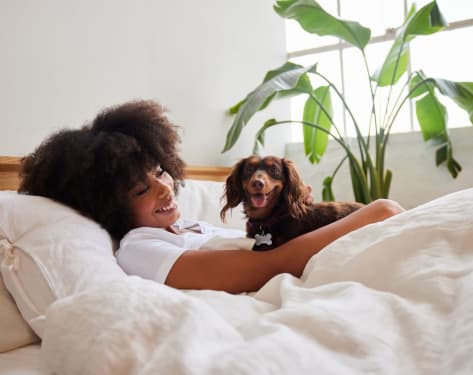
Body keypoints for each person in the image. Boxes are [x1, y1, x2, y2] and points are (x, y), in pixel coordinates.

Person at [18, 100, 405, 294]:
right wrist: (373, 213)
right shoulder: (140, 248)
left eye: (158, 172)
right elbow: (267, 267)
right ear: (108, 206)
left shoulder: (187, 226)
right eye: (141, 189)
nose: (164, 187)